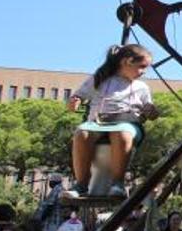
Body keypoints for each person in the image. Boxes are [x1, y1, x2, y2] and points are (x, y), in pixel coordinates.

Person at [67, 44, 160, 198]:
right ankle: (81, 184)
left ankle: (117, 183)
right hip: (98, 123)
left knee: (122, 133)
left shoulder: (141, 88)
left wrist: (151, 112)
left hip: (128, 124)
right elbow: (78, 97)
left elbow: (150, 112)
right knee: (82, 133)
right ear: (126, 61)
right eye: (141, 67)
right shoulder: (100, 79)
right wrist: (74, 101)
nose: (143, 72)